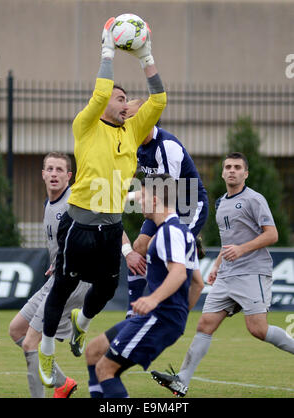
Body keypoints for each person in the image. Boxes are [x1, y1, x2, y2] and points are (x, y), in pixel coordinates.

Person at [38, 17, 167, 387]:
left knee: (108, 288)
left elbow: (158, 99)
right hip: (78, 224)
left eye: (126, 98)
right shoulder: (86, 123)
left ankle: (81, 324)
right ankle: (47, 352)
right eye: (118, 95)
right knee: (62, 289)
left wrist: (146, 56)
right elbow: (99, 94)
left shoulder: (132, 129)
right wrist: (107, 51)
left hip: (110, 226)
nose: (123, 100)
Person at [150, 152, 294, 397]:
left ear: (245, 173)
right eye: (228, 166)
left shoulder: (253, 199)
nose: (232, 170)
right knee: (205, 324)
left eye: (238, 167)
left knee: (258, 329)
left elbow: (272, 235)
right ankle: (181, 380)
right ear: (222, 172)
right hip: (227, 274)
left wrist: (242, 250)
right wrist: (217, 265)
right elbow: (230, 241)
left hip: (252, 272)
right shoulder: (221, 202)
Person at [85, 173, 198, 398]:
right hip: (158, 318)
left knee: (105, 369)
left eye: (143, 196)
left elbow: (178, 275)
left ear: (155, 200)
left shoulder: (169, 233)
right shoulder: (179, 232)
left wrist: (155, 301)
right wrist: (180, 315)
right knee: (93, 351)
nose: (140, 202)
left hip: (159, 318)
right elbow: (198, 283)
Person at [9, 152, 91, 398]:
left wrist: (127, 251)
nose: (54, 174)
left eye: (59, 170)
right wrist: (58, 261)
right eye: (50, 169)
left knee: (30, 343)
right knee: (16, 329)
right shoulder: (48, 204)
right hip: (58, 277)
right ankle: (62, 383)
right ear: (43, 174)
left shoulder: (75, 202)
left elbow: (100, 228)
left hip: (73, 282)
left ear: (69, 176)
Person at [122, 99, 207, 318]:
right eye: (125, 120)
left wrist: (123, 198)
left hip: (188, 206)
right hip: (162, 204)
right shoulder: (137, 145)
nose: (127, 125)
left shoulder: (166, 146)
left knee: (155, 247)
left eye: (131, 118)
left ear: (146, 118)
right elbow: (129, 178)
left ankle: (168, 311)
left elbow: (165, 191)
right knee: (139, 246)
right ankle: (134, 312)